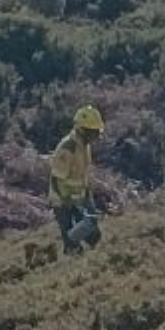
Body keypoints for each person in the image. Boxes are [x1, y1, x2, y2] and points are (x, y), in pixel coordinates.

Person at [49, 105, 105, 255]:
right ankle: (71, 270)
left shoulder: (84, 146)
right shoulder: (68, 147)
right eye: (94, 132)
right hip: (62, 200)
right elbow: (56, 179)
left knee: (93, 235)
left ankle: (92, 262)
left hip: (79, 198)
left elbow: (81, 174)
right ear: (83, 130)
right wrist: (67, 202)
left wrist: (86, 195)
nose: (96, 136)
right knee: (72, 242)